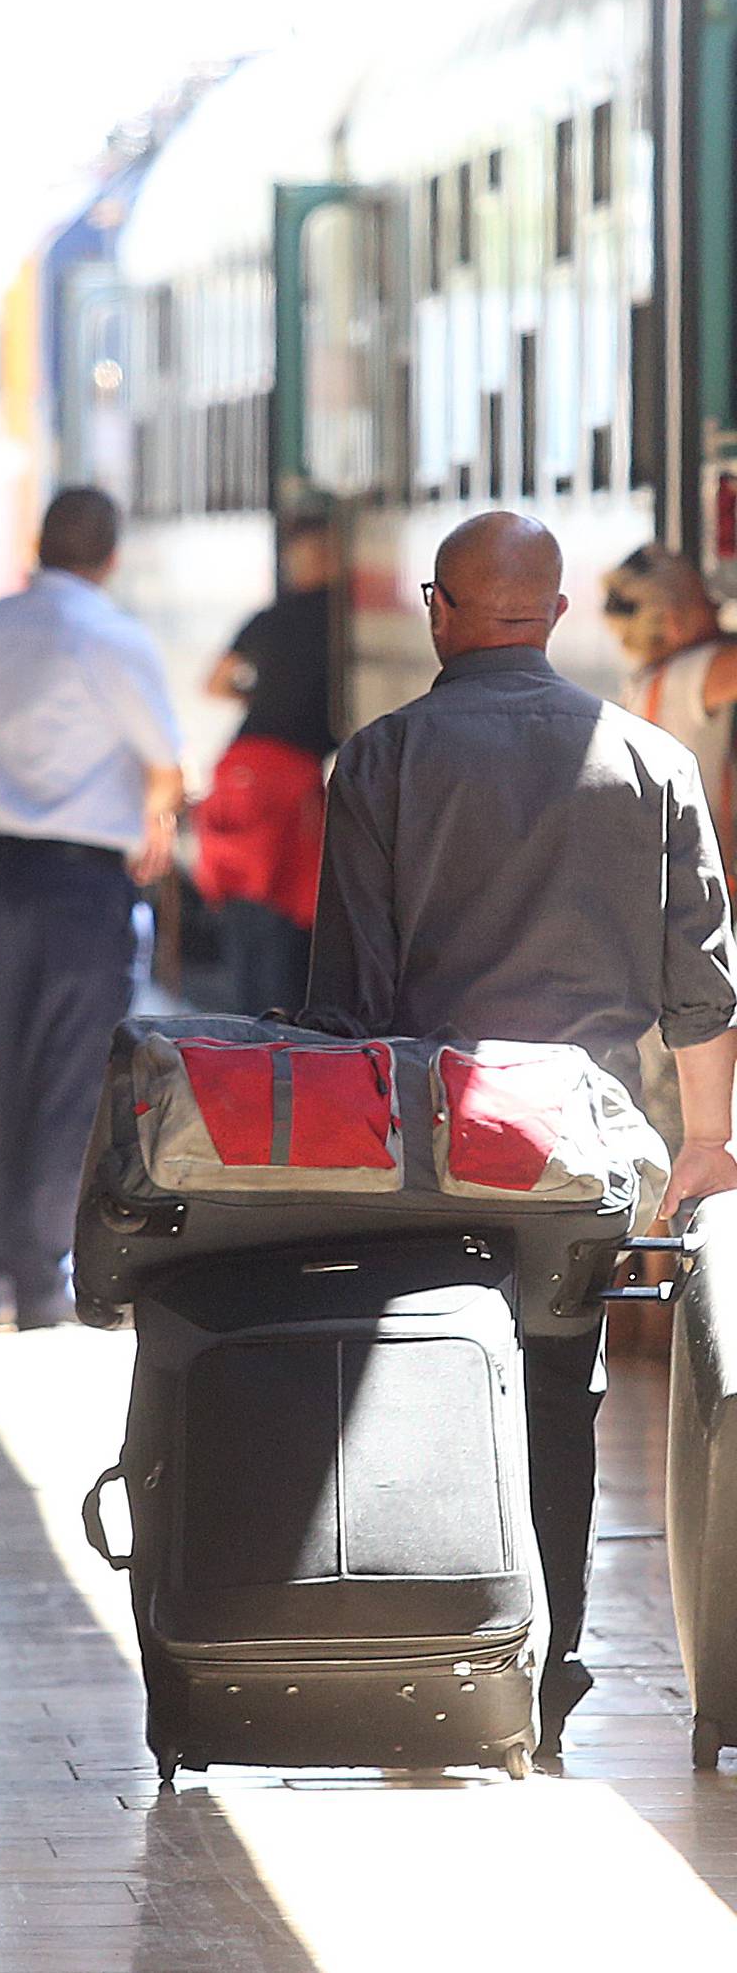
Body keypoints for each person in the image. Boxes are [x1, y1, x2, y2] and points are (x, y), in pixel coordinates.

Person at [307, 510, 737, 1759]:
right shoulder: (653, 761)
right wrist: (706, 1145)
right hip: (581, 1149)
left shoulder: (378, 762)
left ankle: (436, 1648)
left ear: (439, 609)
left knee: (419, 1378)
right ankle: (547, 1671)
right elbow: (702, 988)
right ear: (553, 616)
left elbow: (350, 1002)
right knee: (558, 1389)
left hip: (425, 1145)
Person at [0, 486, 185, 1334]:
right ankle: (41, 1278)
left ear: (40, 546)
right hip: (84, 885)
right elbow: (166, 760)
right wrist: (156, 818)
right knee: (68, 1082)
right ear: (111, 556)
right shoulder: (114, 638)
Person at [194, 515, 337, 1015]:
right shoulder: (342, 618)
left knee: (244, 897)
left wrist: (262, 692)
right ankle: (278, 1028)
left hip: (239, 766)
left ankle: (246, 1026)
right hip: (291, 775)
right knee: (286, 902)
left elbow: (213, 683)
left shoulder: (272, 616)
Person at [603, 541, 737, 872]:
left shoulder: (644, 685)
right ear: (675, 620)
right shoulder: (692, 676)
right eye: (702, 598)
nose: (717, 605)